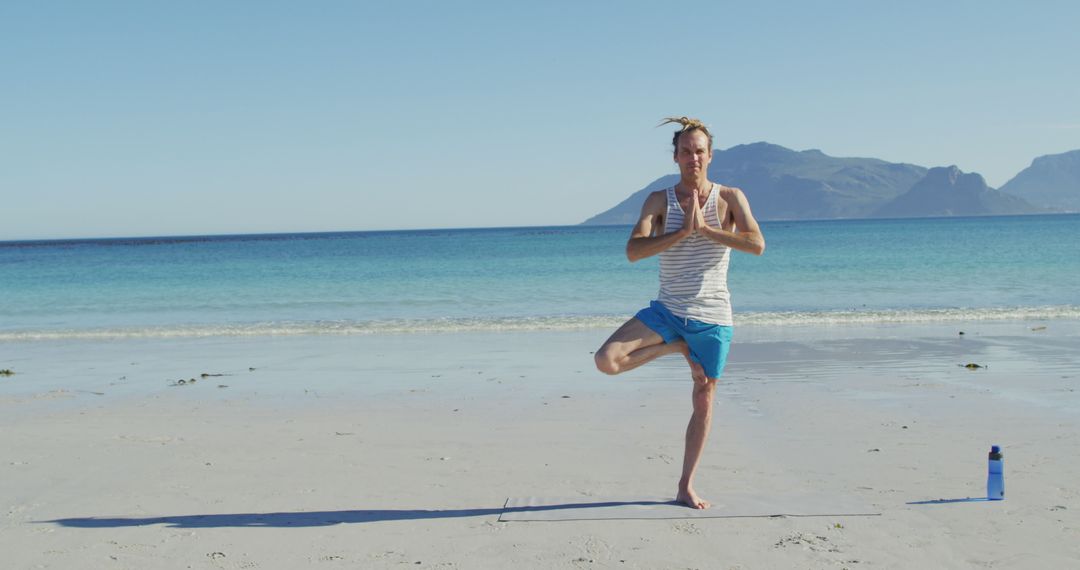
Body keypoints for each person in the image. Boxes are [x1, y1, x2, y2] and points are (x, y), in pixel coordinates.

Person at [594, 116, 765, 509]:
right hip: (668, 310)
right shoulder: (659, 201)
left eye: (699, 151)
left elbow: (756, 244)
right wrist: (680, 234)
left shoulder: (730, 198)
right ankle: (676, 348)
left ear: (710, 155)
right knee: (606, 361)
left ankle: (685, 485)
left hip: (713, 316)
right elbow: (633, 251)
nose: (693, 158)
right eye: (686, 151)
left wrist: (707, 231)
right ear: (675, 156)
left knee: (704, 398)